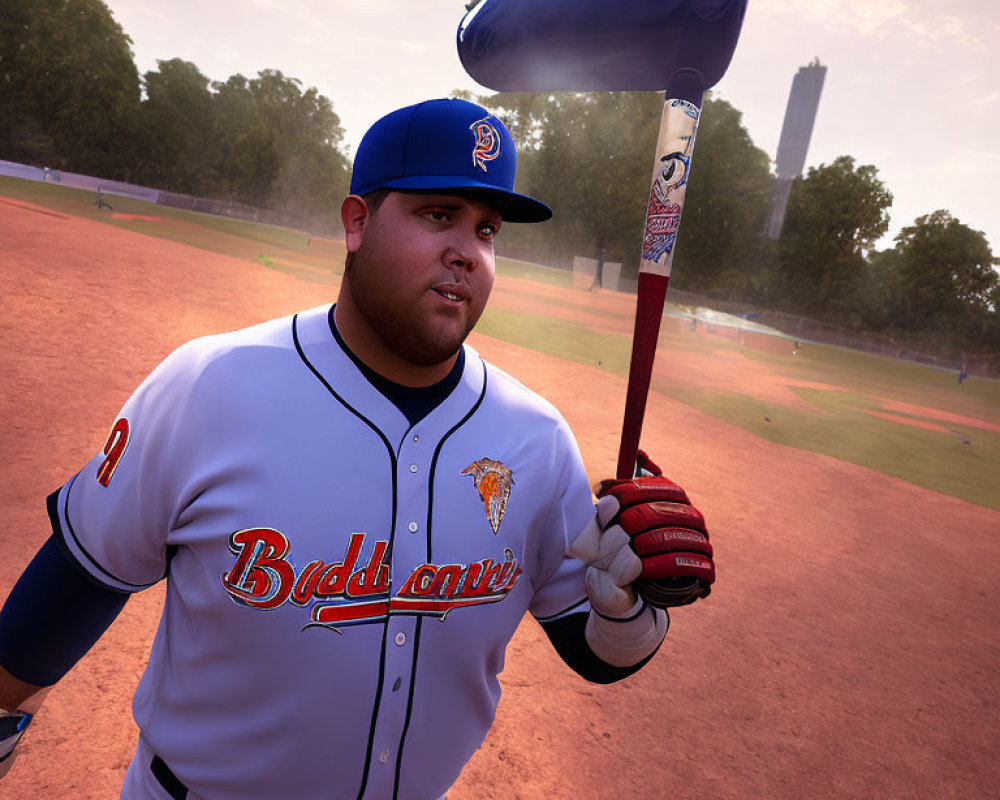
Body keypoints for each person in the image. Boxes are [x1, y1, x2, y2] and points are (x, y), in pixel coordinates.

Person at [0, 98, 715, 799]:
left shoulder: (537, 439)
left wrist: (632, 604)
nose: (466, 251)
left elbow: (593, 648)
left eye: (488, 229)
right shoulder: (211, 385)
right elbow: (82, 577)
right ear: (356, 222)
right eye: (439, 215)